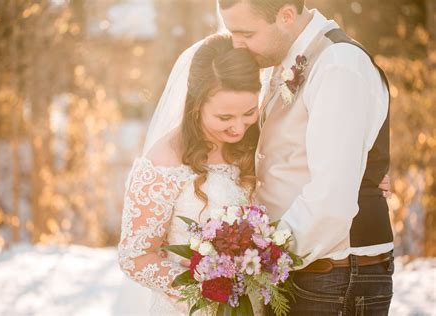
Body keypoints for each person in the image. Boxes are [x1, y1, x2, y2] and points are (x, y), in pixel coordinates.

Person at [218, 0, 394, 315]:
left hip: (334, 275)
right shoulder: (288, 58)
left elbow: (330, 198)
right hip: (301, 268)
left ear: (286, 15)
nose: (236, 44)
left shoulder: (338, 64)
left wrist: (260, 258)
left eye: (245, 32)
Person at [117, 33, 265, 315]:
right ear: (196, 106)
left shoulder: (256, 144)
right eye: (225, 118)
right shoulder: (163, 161)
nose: (238, 127)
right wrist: (203, 286)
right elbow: (135, 257)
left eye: (249, 112)